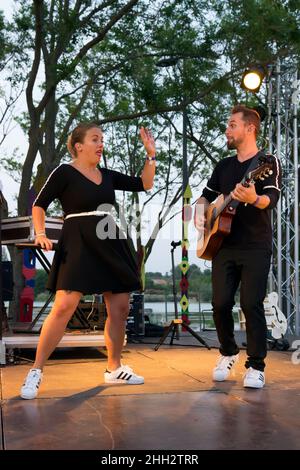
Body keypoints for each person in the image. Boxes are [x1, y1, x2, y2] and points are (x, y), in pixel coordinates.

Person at [21, 122, 156, 399]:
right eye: (95, 139)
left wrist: (150, 155)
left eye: (102, 139)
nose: (100, 144)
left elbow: (144, 183)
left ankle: (114, 368)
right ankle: (36, 370)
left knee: (119, 308)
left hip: (109, 239)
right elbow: (39, 205)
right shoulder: (65, 172)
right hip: (79, 240)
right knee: (64, 306)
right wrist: (41, 233)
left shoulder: (106, 175)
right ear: (79, 145)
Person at [194, 104, 281, 389]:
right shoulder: (223, 166)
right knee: (219, 304)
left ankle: (256, 365)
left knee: (250, 303)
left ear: (249, 128)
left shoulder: (266, 163)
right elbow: (204, 198)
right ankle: (228, 352)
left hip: (256, 245)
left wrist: (253, 199)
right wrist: (201, 216)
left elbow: (270, 200)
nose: (227, 130)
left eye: (232, 124)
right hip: (222, 244)